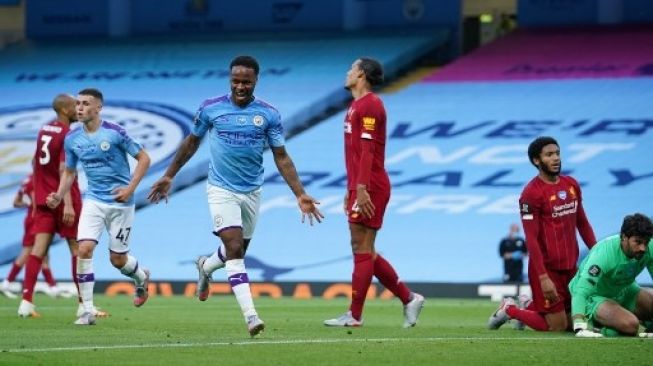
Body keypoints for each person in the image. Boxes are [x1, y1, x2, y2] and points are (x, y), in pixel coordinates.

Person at [148, 55, 323, 337]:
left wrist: (300, 193)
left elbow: (281, 156)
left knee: (237, 251)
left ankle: (205, 267)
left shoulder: (268, 114)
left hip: (253, 190)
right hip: (220, 188)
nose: (240, 86)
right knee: (234, 248)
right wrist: (169, 174)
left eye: (246, 82)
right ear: (230, 80)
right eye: (236, 81)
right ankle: (252, 317)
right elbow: (192, 141)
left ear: (256, 81)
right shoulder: (210, 108)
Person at [323, 57, 424, 328]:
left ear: (362, 74)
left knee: (361, 247)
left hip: (372, 185)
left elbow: (367, 151)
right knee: (366, 250)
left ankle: (355, 315)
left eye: (351, 68)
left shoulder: (370, 105)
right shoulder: (357, 105)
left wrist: (362, 188)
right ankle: (408, 298)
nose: (347, 71)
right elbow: (354, 154)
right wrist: (351, 188)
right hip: (362, 185)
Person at [46, 88, 151, 325]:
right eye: (77, 104)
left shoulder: (115, 133)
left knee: (118, 260)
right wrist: (59, 195)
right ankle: (87, 310)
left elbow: (144, 158)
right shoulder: (72, 139)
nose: (79, 108)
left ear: (98, 108)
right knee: (84, 249)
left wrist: (130, 188)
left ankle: (142, 277)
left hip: (121, 203)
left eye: (85, 104)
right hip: (93, 200)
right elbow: (70, 172)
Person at [488, 136, 597, 332]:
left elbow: (582, 223)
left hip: (571, 268)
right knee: (557, 326)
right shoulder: (531, 194)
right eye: (549, 155)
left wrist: (598, 254)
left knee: (575, 323)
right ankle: (510, 309)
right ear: (536, 161)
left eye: (557, 153)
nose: (555, 158)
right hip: (547, 269)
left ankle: (528, 304)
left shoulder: (571, 184)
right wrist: (543, 277)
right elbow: (531, 238)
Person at [17, 94, 91, 318]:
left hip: (42, 197)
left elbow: (36, 164)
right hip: (62, 197)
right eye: (74, 105)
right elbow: (64, 170)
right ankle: (83, 305)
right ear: (65, 110)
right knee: (76, 250)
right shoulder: (68, 134)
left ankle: (26, 303)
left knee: (38, 249)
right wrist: (67, 203)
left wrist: (39, 192)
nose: (78, 109)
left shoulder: (44, 130)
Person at [570, 213, 653, 338]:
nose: (642, 248)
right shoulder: (604, 254)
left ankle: (633, 323)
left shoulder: (649, 248)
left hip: (625, 289)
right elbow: (582, 289)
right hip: (596, 295)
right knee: (631, 325)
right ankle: (596, 324)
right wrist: (579, 324)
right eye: (638, 242)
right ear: (624, 237)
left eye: (646, 243)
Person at [1, 174, 60, 299]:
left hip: (31, 219)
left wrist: (27, 204)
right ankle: (7, 283)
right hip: (37, 219)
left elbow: (16, 202)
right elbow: (36, 203)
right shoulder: (38, 179)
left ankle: (53, 286)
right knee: (30, 252)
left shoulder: (27, 180)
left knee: (43, 253)